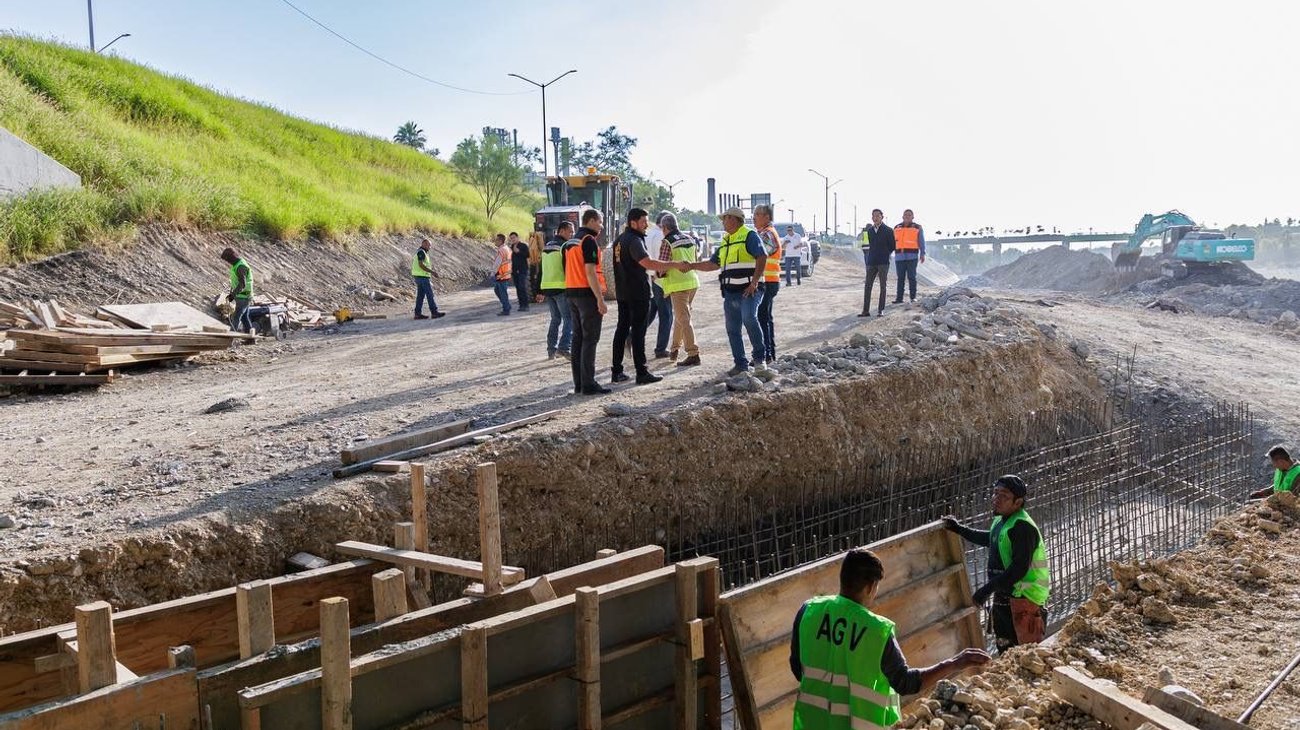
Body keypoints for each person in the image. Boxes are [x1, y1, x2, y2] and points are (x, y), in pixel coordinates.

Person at [789, 548, 991, 729]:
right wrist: (955, 663)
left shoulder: (808, 611)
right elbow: (905, 682)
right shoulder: (876, 630)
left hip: (811, 723)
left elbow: (798, 669)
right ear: (870, 587)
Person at [943, 475, 1051, 652]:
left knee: (1027, 655)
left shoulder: (1022, 527)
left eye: (1004, 496)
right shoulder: (1002, 521)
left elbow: (1018, 570)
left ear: (1018, 502)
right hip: (1006, 596)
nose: (996, 499)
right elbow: (991, 539)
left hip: (1025, 599)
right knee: (1006, 651)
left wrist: (985, 591)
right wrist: (959, 529)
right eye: (995, 493)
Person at [686, 207, 767, 376]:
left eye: (725, 219)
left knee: (749, 318)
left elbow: (762, 256)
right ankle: (740, 365)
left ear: (734, 219)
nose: (722, 222)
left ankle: (760, 359)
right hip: (731, 292)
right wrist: (691, 266)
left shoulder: (749, 235)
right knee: (732, 328)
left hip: (749, 290)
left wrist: (754, 283)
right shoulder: (726, 241)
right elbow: (713, 264)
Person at [611, 208, 679, 385]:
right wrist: (674, 264)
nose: (646, 226)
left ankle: (616, 371)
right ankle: (642, 372)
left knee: (622, 330)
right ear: (633, 222)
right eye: (643, 222)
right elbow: (647, 262)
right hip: (637, 293)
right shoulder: (634, 240)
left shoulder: (619, 240)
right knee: (638, 333)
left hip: (623, 293)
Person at [565, 210, 610, 395]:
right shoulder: (588, 241)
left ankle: (579, 384)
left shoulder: (570, 242)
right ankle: (589, 384)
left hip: (572, 293)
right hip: (587, 294)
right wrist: (600, 299)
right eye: (600, 222)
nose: (601, 226)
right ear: (591, 221)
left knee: (578, 339)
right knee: (590, 340)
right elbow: (590, 272)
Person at [658, 213, 702, 367]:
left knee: (684, 318)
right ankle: (675, 349)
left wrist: (655, 274)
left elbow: (662, 265)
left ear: (665, 227)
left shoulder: (667, 242)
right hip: (692, 282)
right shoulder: (690, 238)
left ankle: (693, 353)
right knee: (680, 317)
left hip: (678, 285)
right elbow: (695, 259)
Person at [534, 222, 574, 359]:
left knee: (555, 319)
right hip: (561, 287)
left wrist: (538, 290)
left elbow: (541, 270)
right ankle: (564, 347)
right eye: (570, 232)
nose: (572, 235)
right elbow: (568, 268)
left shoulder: (546, 247)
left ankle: (551, 350)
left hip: (547, 287)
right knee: (570, 319)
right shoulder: (564, 246)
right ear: (562, 231)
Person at [753, 205, 782, 364]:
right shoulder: (766, 232)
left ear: (766, 217)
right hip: (769, 280)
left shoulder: (767, 234)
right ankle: (769, 355)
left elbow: (757, 254)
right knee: (765, 318)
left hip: (768, 281)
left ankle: (766, 354)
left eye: (757, 215)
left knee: (762, 319)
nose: (754, 218)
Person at [646, 212, 674, 359]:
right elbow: (662, 260)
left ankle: (631, 335)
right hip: (662, 279)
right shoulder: (663, 237)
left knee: (652, 311)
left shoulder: (649, 234)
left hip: (651, 277)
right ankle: (661, 348)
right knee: (667, 315)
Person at [860, 209, 895, 317]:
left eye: (877, 216)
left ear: (881, 217)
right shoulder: (869, 231)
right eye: (873, 216)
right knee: (868, 285)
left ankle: (881, 310)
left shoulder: (888, 230)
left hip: (883, 262)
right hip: (871, 261)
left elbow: (892, 246)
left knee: (882, 286)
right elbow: (866, 245)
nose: (875, 218)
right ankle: (865, 311)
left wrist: (885, 254)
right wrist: (869, 256)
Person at [893, 209, 926, 304]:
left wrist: (922, 253)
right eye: (905, 215)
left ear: (913, 217)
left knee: (912, 277)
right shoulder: (896, 227)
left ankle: (913, 297)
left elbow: (921, 241)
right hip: (899, 256)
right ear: (902, 217)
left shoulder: (917, 227)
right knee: (900, 278)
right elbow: (893, 242)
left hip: (912, 256)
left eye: (909, 215)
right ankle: (899, 298)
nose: (907, 216)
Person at [411, 238, 446, 320]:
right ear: (423, 244)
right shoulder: (421, 252)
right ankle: (434, 312)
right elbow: (421, 265)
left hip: (419, 277)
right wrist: (432, 272)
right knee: (430, 294)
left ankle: (417, 314)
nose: (430, 247)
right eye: (428, 245)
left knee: (420, 296)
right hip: (422, 277)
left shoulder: (421, 252)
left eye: (430, 245)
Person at [220, 247, 254, 332]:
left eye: (227, 260)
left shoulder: (241, 267)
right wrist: (232, 293)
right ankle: (251, 339)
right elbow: (236, 281)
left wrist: (232, 295)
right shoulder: (237, 264)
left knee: (236, 318)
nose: (227, 262)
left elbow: (242, 284)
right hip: (242, 295)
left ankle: (231, 340)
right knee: (245, 318)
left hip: (244, 296)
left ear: (231, 257)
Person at [509, 232, 531, 311]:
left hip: (522, 269)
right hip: (515, 271)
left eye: (514, 237)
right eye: (511, 238)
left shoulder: (523, 246)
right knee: (518, 288)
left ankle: (526, 305)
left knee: (522, 286)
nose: (513, 239)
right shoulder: (511, 247)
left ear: (517, 237)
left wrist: (518, 251)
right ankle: (521, 305)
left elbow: (528, 255)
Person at [492, 234, 512, 316]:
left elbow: (497, 263)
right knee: (498, 290)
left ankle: (506, 309)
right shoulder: (507, 249)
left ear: (500, 241)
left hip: (501, 274)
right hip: (506, 273)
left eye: (496, 240)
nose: (495, 241)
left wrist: (493, 273)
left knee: (502, 292)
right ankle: (507, 306)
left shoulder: (501, 250)